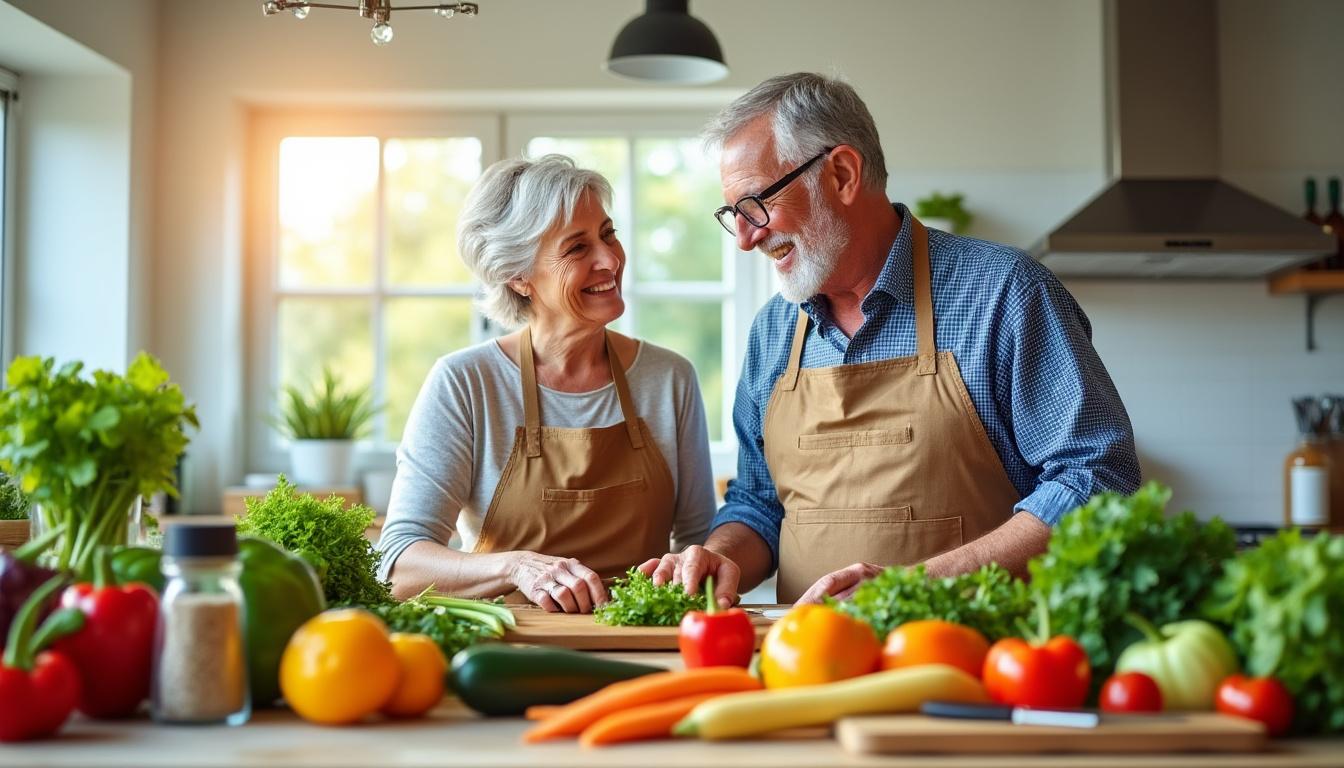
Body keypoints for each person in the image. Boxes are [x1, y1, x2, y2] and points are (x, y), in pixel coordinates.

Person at [640, 73, 1140, 607]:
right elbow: (760, 502)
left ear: (841, 173)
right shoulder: (773, 331)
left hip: (969, 662)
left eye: (756, 205)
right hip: (803, 665)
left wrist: (915, 588)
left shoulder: (1003, 294)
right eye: (732, 216)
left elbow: (1099, 480)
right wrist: (723, 554)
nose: (745, 239)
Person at [377, 155, 715, 612]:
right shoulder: (466, 384)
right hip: (510, 654)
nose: (609, 259)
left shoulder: (669, 378)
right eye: (577, 248)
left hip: (641, 644)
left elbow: (698, 543)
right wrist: (514, 567)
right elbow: (398, 564)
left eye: (608, 234)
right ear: (518, 277)